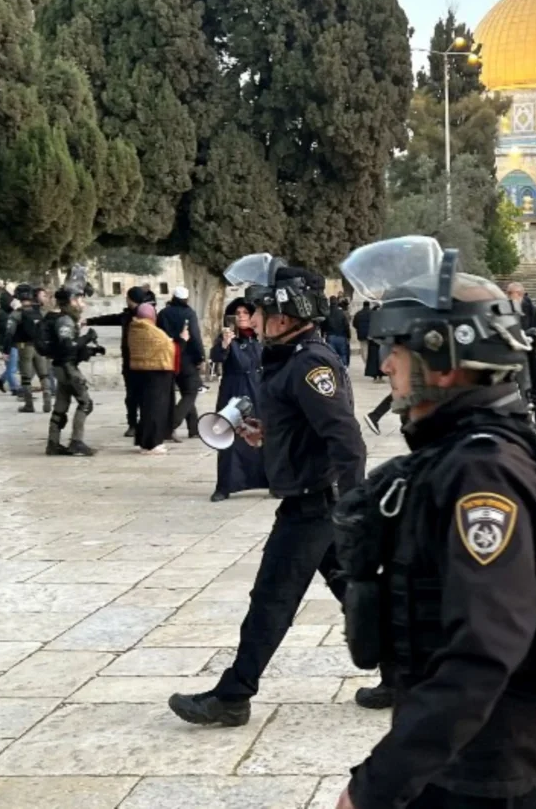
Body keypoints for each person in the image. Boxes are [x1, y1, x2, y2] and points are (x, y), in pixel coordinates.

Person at [327, 237, 536, 809]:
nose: (385, 362)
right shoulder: (462, 454)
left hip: (488, 775)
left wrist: (376, 785)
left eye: (399, 347)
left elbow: (483, 653)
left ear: (443, 360)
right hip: (465, 761)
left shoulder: (482, 474)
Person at [169, 252, 378, 728]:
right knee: (355, 592)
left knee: (271, 600)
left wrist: (353, 508)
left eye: (260, 312)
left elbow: (347, 442)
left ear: (283, 317)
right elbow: (305, 427)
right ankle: (408, 671)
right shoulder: (288, 360)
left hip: (315, 507)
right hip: (312, 500)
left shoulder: (310, 366)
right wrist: (266, 433)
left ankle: (233, 695)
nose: (253, 320)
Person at [210, 300, 268, 500]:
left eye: (246, 312)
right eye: (238, 312)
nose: (242, 316)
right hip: (234, 393)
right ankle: (224, 486)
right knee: (231, 438)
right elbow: (216, 356)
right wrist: (225, 345)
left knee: (262, 435)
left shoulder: (259, 339)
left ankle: (269, 481)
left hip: (258, 391)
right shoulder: (229, 338)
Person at [44, 287, 100, 457]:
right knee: (85, 404)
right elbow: (67, 345)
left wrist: (89, 350)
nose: (81, 304)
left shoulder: (65, 319)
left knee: (60, 407)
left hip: (61, 367)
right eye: (78, 300)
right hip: (67, 368)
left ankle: (53, 443)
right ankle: (76, 442)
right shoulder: (65, 321)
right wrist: (87, 337)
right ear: (70, 302)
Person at [86, 287, 147, 436]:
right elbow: (111, 318)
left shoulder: (146, 315)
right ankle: (133, 424)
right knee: (132, 395)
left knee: (141, 394)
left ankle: (142, 423)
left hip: (143, 361)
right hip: (130, 361)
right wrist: (89, 321)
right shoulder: (127, 315)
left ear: (130, 299)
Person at [128, 303, 176, 454]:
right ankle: (152, 443)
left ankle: (144, 441)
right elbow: (165, 345)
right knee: (156, 408)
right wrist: (179, 341)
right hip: (157, 372)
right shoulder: (149, 329)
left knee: (146, 408)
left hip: (140, 372)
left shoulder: (134, 327)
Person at [158, 286, 203, 439]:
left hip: (168, 357)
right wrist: (200, 358)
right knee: (191, 392)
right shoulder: (189, 313)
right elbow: (195, 337)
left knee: (187, 392)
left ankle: (194, 429)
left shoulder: (163, 313)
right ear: (186, 299)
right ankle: (170, 425)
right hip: (187, 359)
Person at [3, 285, 54, 414]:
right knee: (44, 375)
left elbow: (9, 332)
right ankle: (47, 401)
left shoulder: (17, 313)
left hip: (24, 346)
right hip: (40, 347)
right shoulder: (41, 311)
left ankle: (29, 404)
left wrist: (6, 350)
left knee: (26, 377)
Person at [0, 291, 21, 396]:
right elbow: (8, 331)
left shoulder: (4, 312)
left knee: (12, 366)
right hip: (7, 343)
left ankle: (1, 380)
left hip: (7, 342)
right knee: (12, 368)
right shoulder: (4, 315)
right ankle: (15, 388)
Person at [325, 297, 352, 367]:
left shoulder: (327, 312)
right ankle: (344, 369)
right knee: (343, 354)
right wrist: (348, 336)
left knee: (331, 355)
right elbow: (346, 325)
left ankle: (334, 368)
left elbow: (323, 325)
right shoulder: (341, 313)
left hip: (330, 336)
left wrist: (323, 334)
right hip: (341, 336)